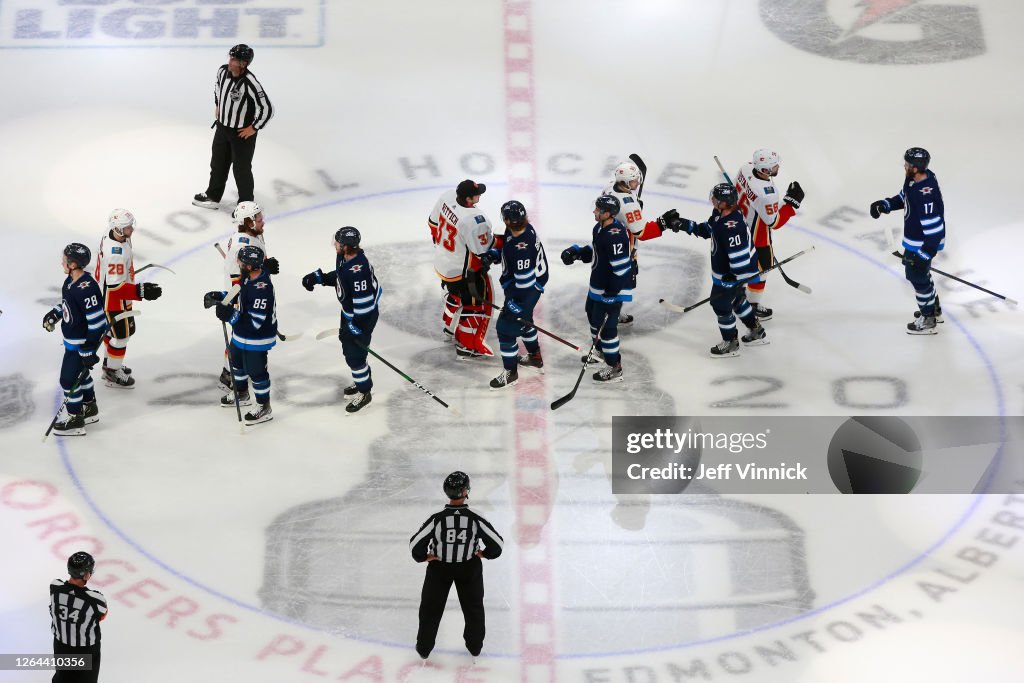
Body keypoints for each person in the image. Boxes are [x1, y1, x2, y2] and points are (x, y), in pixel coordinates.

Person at [660, 183, 769, 357]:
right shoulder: (721, 216)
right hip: (729, 272)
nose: (712, 200)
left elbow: (740, 259)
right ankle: (757, 330)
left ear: (725, 202)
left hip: (734, 273)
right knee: (737, 299)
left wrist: (732, 277)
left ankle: (731, 343)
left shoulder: (732, 227)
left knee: (720, 305)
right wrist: (682, 224)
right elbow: (707, 230)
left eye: (716, 198)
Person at [409, 471, 504, 660]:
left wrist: (423, 557)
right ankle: (475, 646)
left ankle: (424, 648)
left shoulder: (437, 518)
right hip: (469, 568)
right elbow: (497, 544)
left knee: (430, 608)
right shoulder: (476, 517)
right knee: (474, 608)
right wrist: (485, 554)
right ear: (466, 491)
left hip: (440, 569)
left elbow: (415, 544)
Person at [302, 227, 382, 413]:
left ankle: (364, 392)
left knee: (354, 355)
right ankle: (361, 378)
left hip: (362, 318)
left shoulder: (358, 270)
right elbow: (340, 277)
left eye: (337, 243)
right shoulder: (346, 258)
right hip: (351, 315)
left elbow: (364, 306)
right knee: (351, 351)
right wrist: (319, 278)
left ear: (345, 247)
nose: (334, 245)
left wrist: (355, 328)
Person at [870, 147, 946, 334]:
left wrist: (924, 253)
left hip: (923, 243)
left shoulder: (925, 195)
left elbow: (935, 231)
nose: (904, 166)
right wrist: (885, 205)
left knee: (916, 275)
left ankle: (928, 318)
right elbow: (905, 197)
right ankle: (933, 308)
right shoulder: (915, 180)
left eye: (907, 164)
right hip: (917, 240)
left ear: (915, 168)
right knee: (922, 273)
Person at [560, 195, 633, 382]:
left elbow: (622, 268)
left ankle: (614, 367)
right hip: (598, 286)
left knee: (607, 330)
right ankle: (599, 351)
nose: (594, 211)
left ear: (607, 213)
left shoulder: (615, 235)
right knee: (593, 317)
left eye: (598, 209)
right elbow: (597, 251)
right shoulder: (600, 227)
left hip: (610, 291)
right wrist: (577, 252)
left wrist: (612, 294)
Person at [192, 44, 274, 210]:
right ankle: (213, 196)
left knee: (241, 169)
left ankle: (246, 203)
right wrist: (218, 105)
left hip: (242, 134)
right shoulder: (222, 71)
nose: (230, 61)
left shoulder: (250, 82)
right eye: (230, 57)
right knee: (217, 164)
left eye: (234, 59)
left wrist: (254, 127)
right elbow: (217, 88)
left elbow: (267, 108)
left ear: (243, 64)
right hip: (222, 129)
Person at [204, 245, 276, 425]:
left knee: (256, 372)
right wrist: (219, 296)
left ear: (251, 266)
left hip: (257, 339)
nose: (238, 263)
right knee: (236, 363)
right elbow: (238, 295)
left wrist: (229, 315)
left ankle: (264, 407)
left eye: (241, 261)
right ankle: (242, 393)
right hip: (240, 335)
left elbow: (254, 324)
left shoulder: (263, 288)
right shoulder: (246, 278)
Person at [482, 200, 549, 389]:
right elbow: (508, 250)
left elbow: (524, 282)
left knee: (505, 328)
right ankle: (535, 358)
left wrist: (515, 306)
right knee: (525, 322)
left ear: (507, 220)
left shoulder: (521, 248)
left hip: (525, 290)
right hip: (530, 284)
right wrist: (494, 255)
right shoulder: (523, 229)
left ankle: (510, 373)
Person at [93, 209, 162, 389]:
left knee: (112, 333)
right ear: (117, 229)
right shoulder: (115, 252)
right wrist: (141, 291)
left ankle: (110, 364)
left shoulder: (113, 236)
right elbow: (115, 289)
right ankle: (112, 373)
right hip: (114, 300)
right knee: (121, 337)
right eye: (127, 227)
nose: (131, 229)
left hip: (108, 292)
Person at [428, 179, 496, 359]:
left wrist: (444, 249)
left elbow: (433, 224)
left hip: (442, 263)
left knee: (453, 294)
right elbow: (483, 251)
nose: (480, 195)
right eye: (477, 193)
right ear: (468, 199)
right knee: (474, 305)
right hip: (461, 272)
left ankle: (448, 329)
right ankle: (466, 346)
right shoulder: (474, 220)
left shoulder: (447, 197)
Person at [733, 149, 804, 321]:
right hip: (757, 234)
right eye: (774, 166)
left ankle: (738, 291)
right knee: (764, 267)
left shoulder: (745, 168)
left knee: (740, 260)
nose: (777, 167)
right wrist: (791, 204)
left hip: (737, 221)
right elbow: (774, 222)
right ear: (765, 171)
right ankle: (752, 305)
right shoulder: (767, 192)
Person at [43, 244, 105, 436]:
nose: (62, 262)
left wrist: (88, 349)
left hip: (80, 345)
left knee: (68, 380)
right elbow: (67, 305)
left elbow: (98, 322)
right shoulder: (70, 281)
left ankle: (75, 418)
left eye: (65, 260)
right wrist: (55, 314)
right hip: (72, 343)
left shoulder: (87, 288)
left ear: (73, 263)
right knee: (82, 376)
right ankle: (90, 407)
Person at [216, 201, 279, 391]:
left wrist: (266, 267)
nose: (263, 222)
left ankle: (235, 371)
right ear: (249, 221)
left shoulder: (253, 236)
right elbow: (238, 279)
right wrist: (239, 302)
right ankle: (230, 374)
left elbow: (255, 265)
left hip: (249, 293)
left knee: (241, 334)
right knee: (239, 335)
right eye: (259, 219)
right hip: (242, 296)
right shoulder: (240, 244)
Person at [601, 160, 670, 325]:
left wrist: (635, 204)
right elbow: (642, 233)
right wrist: (663, 223)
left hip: (606, 240)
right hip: (622, 247)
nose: (637, 183)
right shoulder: (628, 205)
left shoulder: (610, 187)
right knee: (619, 282)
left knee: (612, 279)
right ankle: (609, 314)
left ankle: (611, 312)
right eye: (633, 181)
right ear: (624, 182)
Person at [50, 551, 107, 682]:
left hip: (61, 646)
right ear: (86, 574)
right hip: (86, 651)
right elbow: (102, 616)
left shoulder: (54, 587)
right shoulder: (96, 599)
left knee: (62, 679)